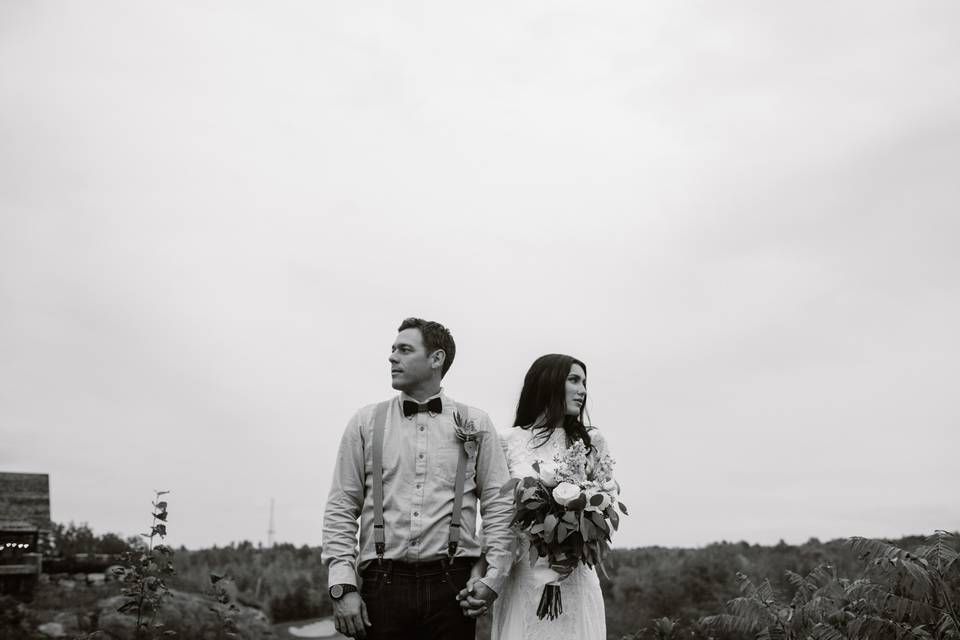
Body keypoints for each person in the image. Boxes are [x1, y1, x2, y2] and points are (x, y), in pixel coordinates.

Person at [322, 318, 514, 639]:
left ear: (436, 359)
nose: (392, 357)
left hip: (453, 587)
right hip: (381, 585)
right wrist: (342, 586)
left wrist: (492, 578)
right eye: (393, 349)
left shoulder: (475, 422)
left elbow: (499, 505)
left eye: (404, 349)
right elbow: (342, 506)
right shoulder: (365, 422)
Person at [477, 353, 612, 639]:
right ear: (548, 383)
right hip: (525, 576)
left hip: (575, 578)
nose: (583, 390)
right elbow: (497, 515)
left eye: (585, 382)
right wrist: (483, 569)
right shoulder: (507, 441)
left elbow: (606, 499)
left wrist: (581, 526)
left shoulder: (591, 441)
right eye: (574, 380)